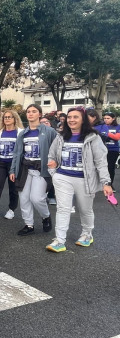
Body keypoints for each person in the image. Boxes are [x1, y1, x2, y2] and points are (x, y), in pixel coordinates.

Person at [46, 107, 113, 252]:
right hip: (63, 177)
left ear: (83, 119)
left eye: (75, 117)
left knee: (85, 209)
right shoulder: (60, 136)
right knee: (63, 209)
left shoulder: (93, 137)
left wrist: (106, 183)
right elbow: (51, 156)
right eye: (69, 117)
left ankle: (87, 235)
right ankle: (59, 240)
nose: (71, 120)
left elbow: (101, 161)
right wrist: (54, 171)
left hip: (85, 180)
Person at [10, 104, 58, 236]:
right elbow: (17, 153)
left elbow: (58, 149)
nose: (30, 114)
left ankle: (46, 216)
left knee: (36, 198)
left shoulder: (49, 131)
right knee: (24, 198)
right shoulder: (22, 133)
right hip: (25, 169)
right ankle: (29, 225)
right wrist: (13, 170)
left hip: (41, 170)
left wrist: (56, 163)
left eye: (34, 111)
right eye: (28, 112)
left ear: (40, 114)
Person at [103, 112, 120, 189]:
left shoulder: (118, 127)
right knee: (102, 167)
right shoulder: (102, 126)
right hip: (102, 149)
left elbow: (117, 137)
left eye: (108, 118)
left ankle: (110, 184)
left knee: (110, 167)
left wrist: (106, 133)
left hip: (113, 150)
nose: (106, 120)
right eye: (105, 118)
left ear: (113, 118)